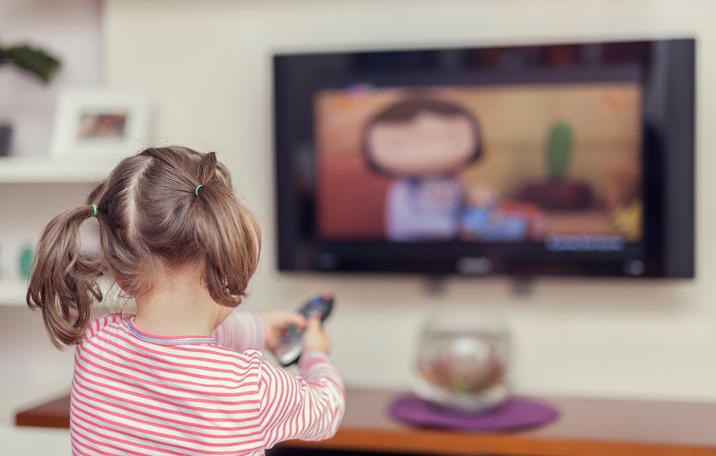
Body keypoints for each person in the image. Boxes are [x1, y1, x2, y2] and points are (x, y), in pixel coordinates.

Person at [26, 146, 345, 455]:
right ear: (229, 265)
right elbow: (328, 407)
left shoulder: (96, 343)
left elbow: (177, 344)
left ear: (120, 272)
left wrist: (259, 328)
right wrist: (314, 354)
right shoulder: (254, 388)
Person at [362, 98, 483, 241]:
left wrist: (481, 202)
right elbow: (407, 223)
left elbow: (465, 204)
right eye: (397, 144)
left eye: (450, 138)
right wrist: (454, 228)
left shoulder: (454, 181)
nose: (432, 152)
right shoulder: (401, 190)